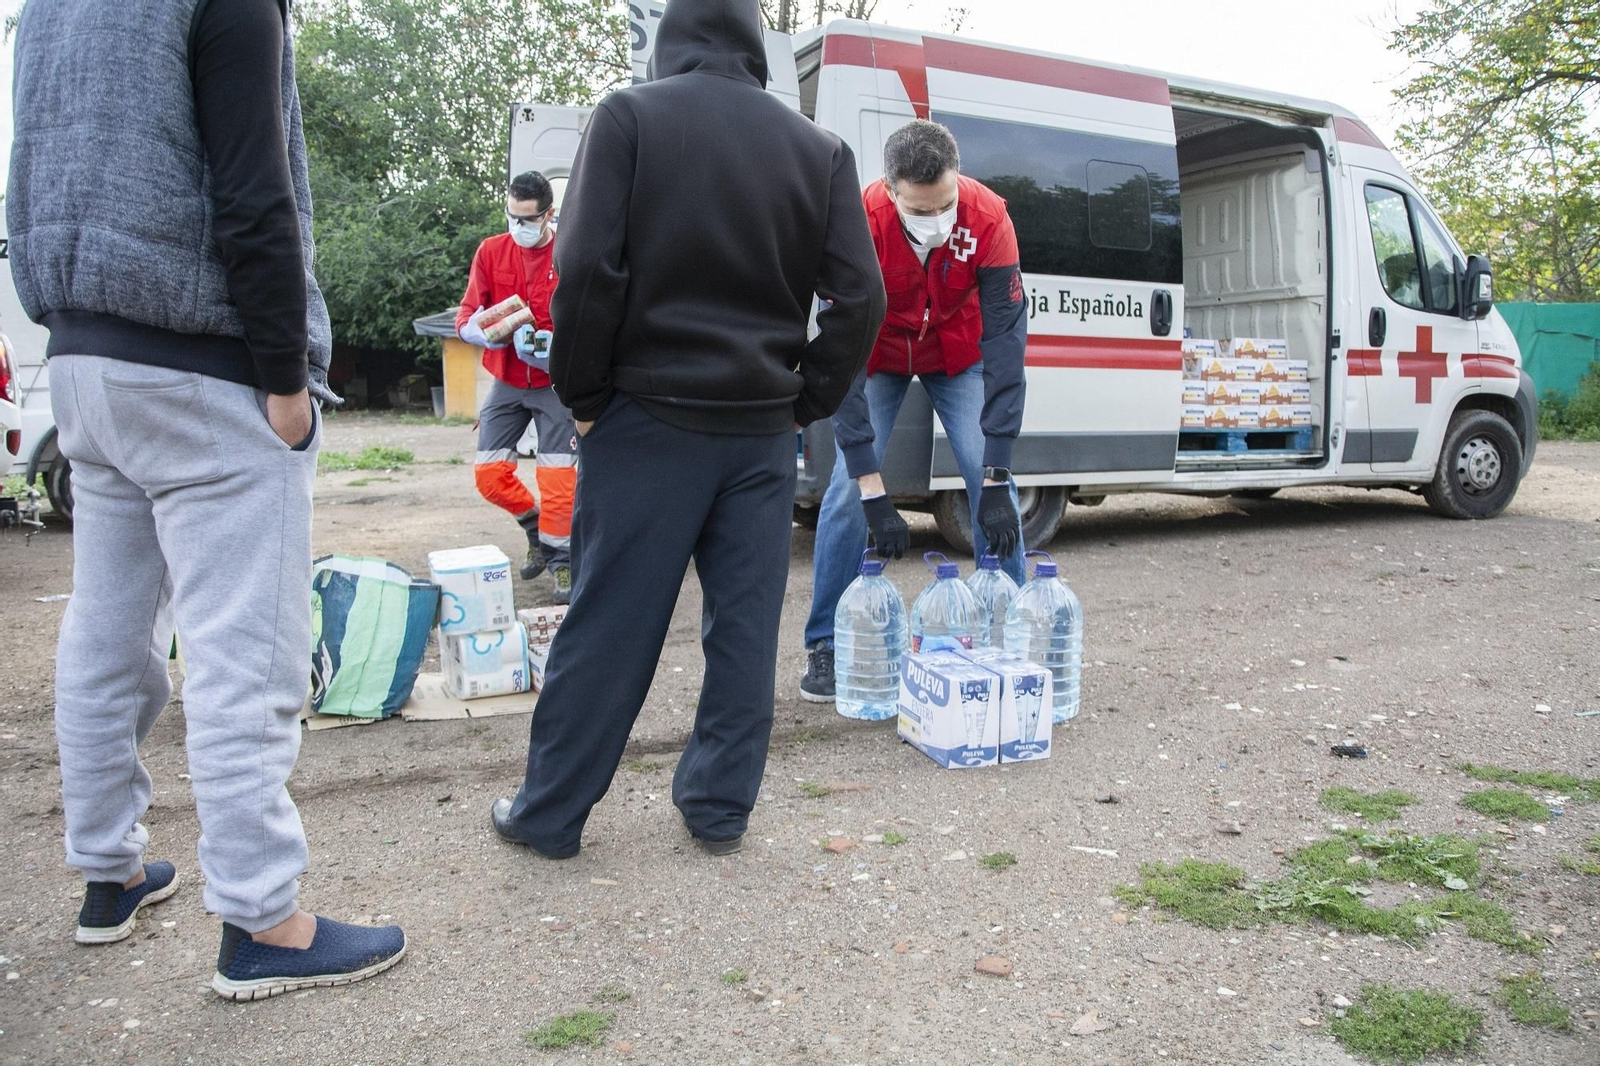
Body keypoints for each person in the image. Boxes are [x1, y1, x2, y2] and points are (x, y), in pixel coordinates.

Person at [6, 0, 404, 1000]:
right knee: (244, 652)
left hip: (83, 352)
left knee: (106, 628)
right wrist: (284, 376)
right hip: (200, 360)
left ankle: (109, 874)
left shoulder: (47, 10)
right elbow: (252, 184)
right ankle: (264, 921)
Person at [490, 0, 885, 857]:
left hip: (647, 417)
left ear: (672, 36)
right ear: (755, 44)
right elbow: (862, 297)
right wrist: (805, 400)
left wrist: (582, 392)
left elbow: (586, 267)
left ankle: (550, 814)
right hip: (760, 429)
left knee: (610, 620)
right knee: (744, 628)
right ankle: (718, 808)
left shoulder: (630, 116)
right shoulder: (819, 150)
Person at [799, 119, 1029, 703]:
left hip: (957, 350)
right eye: (920, 211)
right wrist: (872, 486)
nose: (937, 221)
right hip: (877, 351)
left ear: (958, 179)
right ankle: (826, 643)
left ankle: (1013, 628)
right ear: (890, 189)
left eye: (945, 205)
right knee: (846, 491)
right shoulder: (857, 220)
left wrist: (998, 470)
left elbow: (1006, 345)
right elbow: (841, 353)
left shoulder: (988, 218)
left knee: (986, 473)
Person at [457, 171, 578, 602]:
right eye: (511, 216)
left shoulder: (569, 252)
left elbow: (590, 318)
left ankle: (562, 564)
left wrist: (555, 345)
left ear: (548, 215)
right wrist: (479, 330)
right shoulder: (491, 251)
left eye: (526, 219)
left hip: (554, 383)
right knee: (489, 475)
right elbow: (467, 315)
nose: (518, 226)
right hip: (507, 378)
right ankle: (534, 528)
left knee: (558, 478)